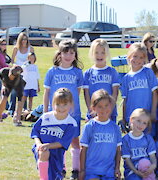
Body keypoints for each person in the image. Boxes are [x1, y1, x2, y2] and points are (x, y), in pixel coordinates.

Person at [43, 39, 84, 179]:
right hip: (55, 114)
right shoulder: (52, 72)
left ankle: (76, 170)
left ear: (75, 55)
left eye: (72, 53)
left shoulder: (78, 72)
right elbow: (47, 93)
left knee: (74, 141)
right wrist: (45, 112)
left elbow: (77, 93)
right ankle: (62, 168)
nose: (69, 56)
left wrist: (71, 109)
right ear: (59, 54)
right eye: (65, 52)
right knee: (58, 142)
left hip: (73, 114)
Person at [31, 88, 78, 180]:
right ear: (53, 104)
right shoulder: (45, 117)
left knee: (55, 176)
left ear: (71, 104)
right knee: (44, 153)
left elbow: (63, 142)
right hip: (42, 149)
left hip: (57, 152)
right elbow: (35, 132)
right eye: (58, 104)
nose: (61, 108)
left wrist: (48, 145)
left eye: (65, 104)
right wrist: (39, 144)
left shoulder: (71, 123)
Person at [79, 89, 122, 180]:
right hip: (92, 170)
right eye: (100, 106)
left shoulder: (115, 128)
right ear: (93, 108)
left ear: (111, 105)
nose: (104, 109)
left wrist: (117, 168)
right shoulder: (89, 126)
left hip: (109, 170)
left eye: (106, 105)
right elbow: (83, 149)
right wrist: (82, 170)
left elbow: (118, 150)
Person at [120, 42, 158, 137]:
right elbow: (125, 100)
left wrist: (153, 112)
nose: (138, 60)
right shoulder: (126, 78)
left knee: (148, 141)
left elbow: (154, 93)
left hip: (147, 116)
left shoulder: (148, 72)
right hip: (133, 117)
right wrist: (124, 118)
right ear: (129, 56)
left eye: (141, 57)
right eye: (135, 56)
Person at [83, 39, 120, 122]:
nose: (99, 55)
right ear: (92, 53)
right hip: (94, 113)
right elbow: (86, 94)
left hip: (109, 113)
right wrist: (91, 110)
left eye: (103, 52)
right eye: (96, 52)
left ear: (107, 54)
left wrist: (110, 110)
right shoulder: (88, 73)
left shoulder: (112, 72)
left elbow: (115, 93)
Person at [121, 108, 157, 180]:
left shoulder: (148, 138)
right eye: (138, 121)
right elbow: (127, 160)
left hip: (146, 170)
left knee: (145, 162)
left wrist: (153, 165)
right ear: (131, 120)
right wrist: (136, 172)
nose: (141, 125)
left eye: (144, 123)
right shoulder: (126, 139)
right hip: (132, 171)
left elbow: (152, 156)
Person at [9, 32, 35, 115]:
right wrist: (15, 67)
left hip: (26, 72)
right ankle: (11, 109)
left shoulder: (30, 48)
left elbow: (32, 60)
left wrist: (26, 66)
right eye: (22, 39)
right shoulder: (16, 48)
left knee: (24, 91)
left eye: (25, 39)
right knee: (14, 90)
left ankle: (24, 109)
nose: (24, 41)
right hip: (17, 72)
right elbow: (12, 60)